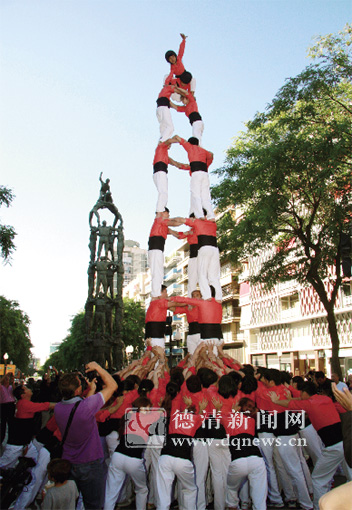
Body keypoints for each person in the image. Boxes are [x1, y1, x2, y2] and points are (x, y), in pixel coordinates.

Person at [54, 362, 117, 510]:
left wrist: (92, 390)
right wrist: (98, 368)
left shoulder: (58, 408)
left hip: (69, 462)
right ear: (78, 390)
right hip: (90, 463)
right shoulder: (86, 407)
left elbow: (80, 408)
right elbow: (112, 386)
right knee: (93, 504)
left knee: (72, 503)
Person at [169, 135, 214, 219]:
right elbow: (211, 155)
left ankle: (200, 215)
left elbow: (178, 137)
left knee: (195, 194)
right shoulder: (203, 153)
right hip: (204, 174)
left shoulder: (191, 147)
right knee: (206, 197)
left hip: (196, 174)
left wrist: (169, 141)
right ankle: (211, 216)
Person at [181, 214, 222, 301]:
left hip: (202, 252)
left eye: (192, 218)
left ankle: (208, 296)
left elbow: (182, 221)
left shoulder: (200, 224)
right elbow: (180, 235)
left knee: (205, 276)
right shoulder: (193, 229)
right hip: (194, 256)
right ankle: (192, 300)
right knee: (193, 281)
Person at [148, 209, 183, 298]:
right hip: (155, 249)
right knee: (157, 273)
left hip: (158, 250)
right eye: (167, 213)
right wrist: (187, 221)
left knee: (159, 274)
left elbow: (177, 234)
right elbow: (175, 223)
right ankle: (155, 296)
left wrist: (189, 233)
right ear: (163, 213)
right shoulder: (159, 220)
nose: (168, 215)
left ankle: (157, 295)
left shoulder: (164, 226)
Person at [153, 140, 190, 214]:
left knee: (163, 193)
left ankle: (161, 211)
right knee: (163, 193)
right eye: (169, 145)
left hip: (160, 173)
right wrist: (180, 140)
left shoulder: (165, 155)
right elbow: (169, 140)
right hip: (160, 172)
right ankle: (159, 212)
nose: (170, 146)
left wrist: (192, 167)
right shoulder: (160, 147)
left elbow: (177, 164)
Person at [0, 373, 15, 444]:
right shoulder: (1, 387)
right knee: (3, 423)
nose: (7, 381)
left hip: (11, 405)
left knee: (11, 422)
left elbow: (16, 391)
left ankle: (11, 438)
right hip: (4, 405)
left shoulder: (11, 387)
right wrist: (5, 375)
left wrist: (13, 381)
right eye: (6, 379)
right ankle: (1, 438)